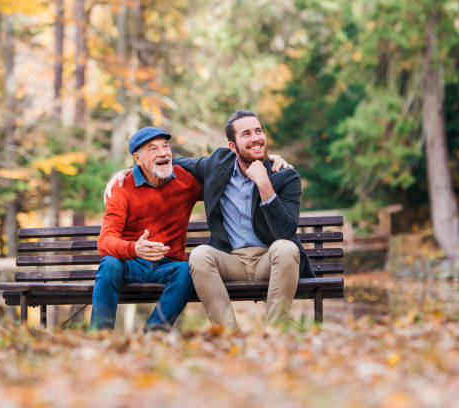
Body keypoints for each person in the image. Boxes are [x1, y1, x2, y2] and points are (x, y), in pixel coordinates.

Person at [107, 110, 313, 331]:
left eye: (258, 131)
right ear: (232, 146)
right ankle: (229, 336)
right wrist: (130, 170)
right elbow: (169, 162)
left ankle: (273, 335)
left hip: (269, 259)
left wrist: (264, 185)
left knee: (285, 247)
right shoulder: (217, 164)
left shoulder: (284, 176)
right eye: (246, 134)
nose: (255, 138)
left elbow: (286, 231)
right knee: (200, 254)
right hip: (230, 260)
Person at [90, 126, 202, 330]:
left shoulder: (186, 180)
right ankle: (99, 336)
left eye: (165, 146)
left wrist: (265, 161)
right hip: (131, 264)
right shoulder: (122, 187)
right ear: (138, 159)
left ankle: (153, 335)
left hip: (168, 265)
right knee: (109, 264)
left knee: (187, 270)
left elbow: (224, 178)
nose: (163, 152)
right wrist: (134, 248)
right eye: (153, 148)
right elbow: (105, 241)